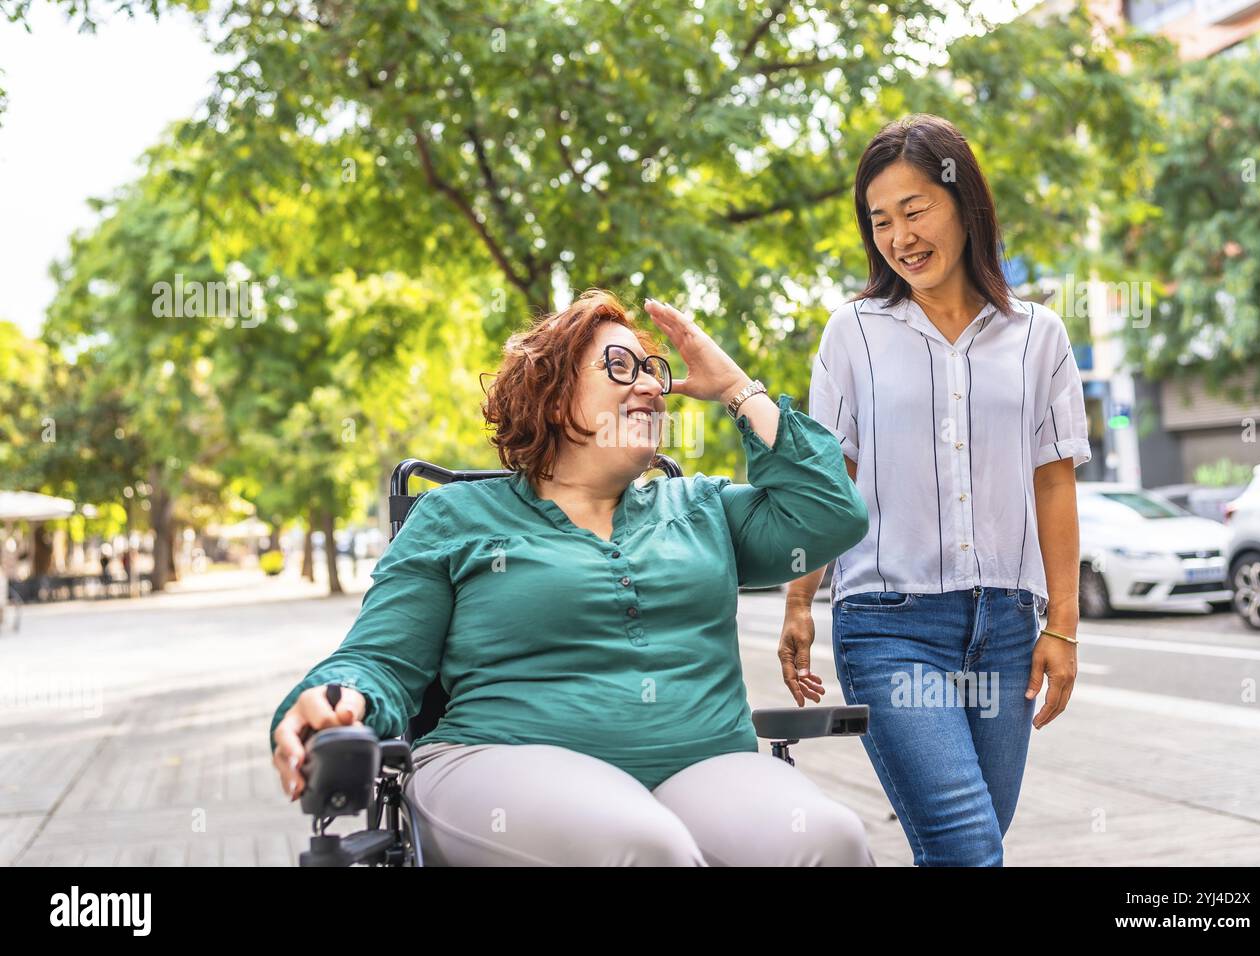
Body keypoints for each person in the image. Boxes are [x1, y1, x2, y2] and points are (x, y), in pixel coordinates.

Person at [270, 289, 874, 866]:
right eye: (619, 366)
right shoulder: (455, 518)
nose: (648, 385)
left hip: (703, 766)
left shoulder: (701, 510)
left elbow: (831, 513)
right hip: (498, 761)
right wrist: (339, 698)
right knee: (639, 846)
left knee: (830, 842)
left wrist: (738, 389)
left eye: (653, 371)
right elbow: (379, 660)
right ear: (553, 395)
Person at [782, 114, 1091, 866]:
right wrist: (796, 602)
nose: (899, 236)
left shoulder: (1039, 336)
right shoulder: (851, 333)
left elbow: (1053, 481)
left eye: (915, 210)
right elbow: (831, 477)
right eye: (880, 221)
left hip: (1009, 631)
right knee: (968, 849)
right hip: (890, 626)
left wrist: (1064, 625)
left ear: (964, 204)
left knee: (967, 846)